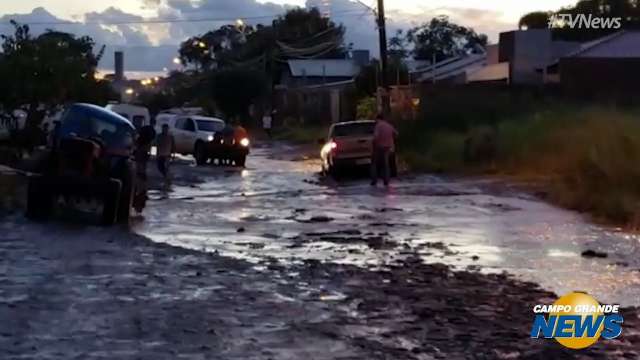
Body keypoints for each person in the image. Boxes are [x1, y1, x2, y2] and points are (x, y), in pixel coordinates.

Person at [370, 114, 398, 187]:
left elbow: (376, 136)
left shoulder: (378, 126)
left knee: (374, 163)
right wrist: (391, 140)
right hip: (388, 147)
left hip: (379, 147)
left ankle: (374, 180)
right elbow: (396, 133)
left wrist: (373, 143)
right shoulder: (389, 125)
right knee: (386, 164)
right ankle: (386, 180)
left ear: (378, 119)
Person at [156, 124, 175, 188]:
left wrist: (173, 155)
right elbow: (157, 146)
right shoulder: (159, 136)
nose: (165, 130)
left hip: (167, 155)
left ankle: (167, 180)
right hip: (161, 154)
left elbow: (173, 146)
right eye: (164, 128)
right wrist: (157, 155)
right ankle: (167, 179)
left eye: (166, 129)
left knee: (165, 168)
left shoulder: (170, 137)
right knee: (160, 167)